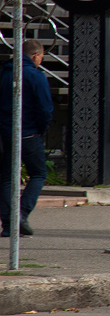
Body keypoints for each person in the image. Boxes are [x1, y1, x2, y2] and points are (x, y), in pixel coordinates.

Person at [0, 40, 53, 238]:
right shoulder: (35, 75)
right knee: (38, 174)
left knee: (6, 178)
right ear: (35, 56)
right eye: (41, 57)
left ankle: (8, 224)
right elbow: (45, 108)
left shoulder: (5, 73)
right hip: (29, 132)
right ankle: (20, 214)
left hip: (6, 133)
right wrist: (42, 129)